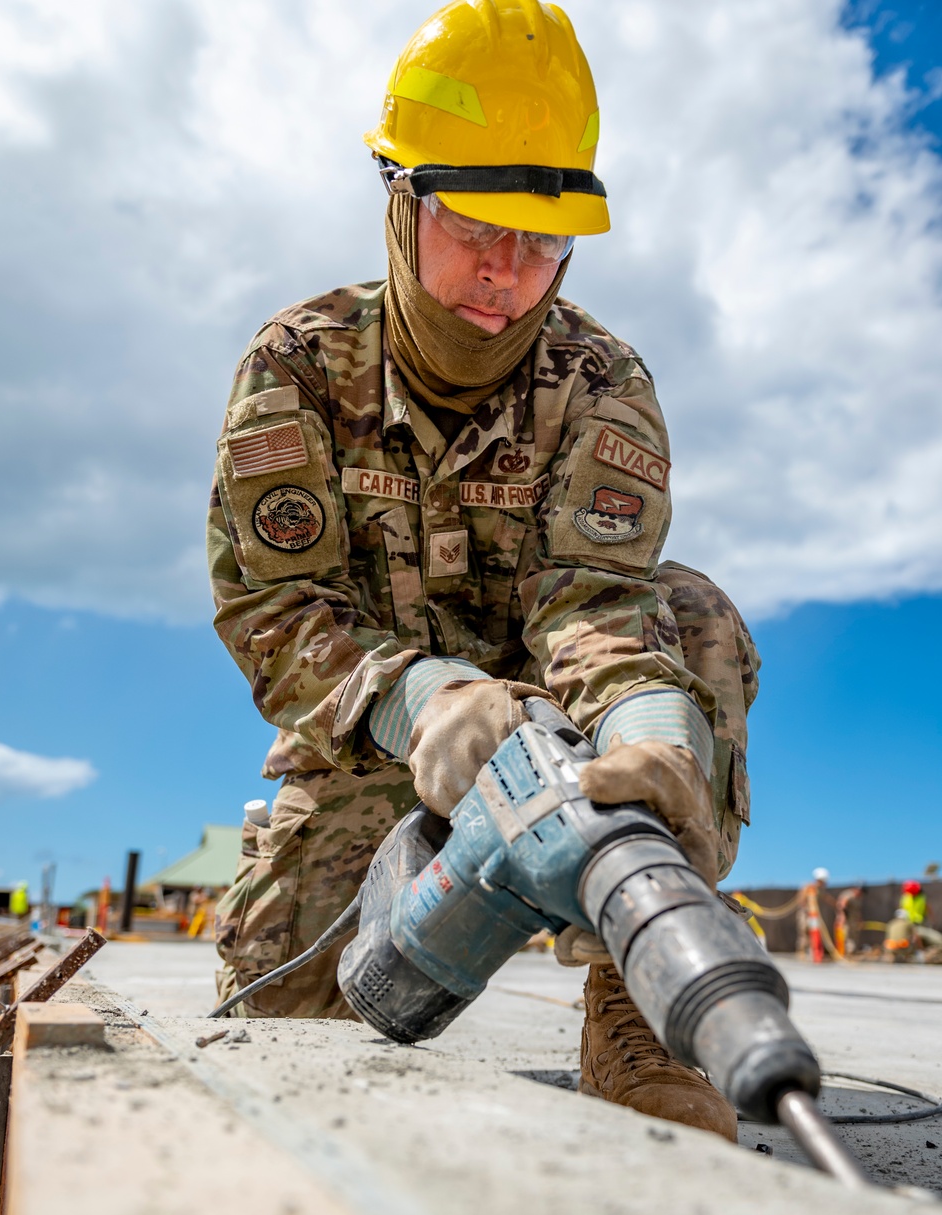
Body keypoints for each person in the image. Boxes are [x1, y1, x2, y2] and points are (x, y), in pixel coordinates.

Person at [209, 1, 760, 1142]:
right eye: (472, 224)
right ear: (401, 201)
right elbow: (271, 607)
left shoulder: (600, 379)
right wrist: (427, 702)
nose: (505, 272)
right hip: (377, 744)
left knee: (694, 614)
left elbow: (594, 593)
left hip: (567, 741)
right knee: (272, 1043)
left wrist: (654, 731)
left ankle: (643, 1016)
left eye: (542, 240)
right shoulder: (299, 366)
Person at [796, 868, 829, 964]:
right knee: (804, 932)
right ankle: (802, 954)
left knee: (813, 934)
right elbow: (801, 900)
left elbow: (826, 898)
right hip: (805, 914)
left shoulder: (819, 890)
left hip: (814, 915)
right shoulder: (808, 887)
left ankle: (812, 954)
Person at [900, 881, 942, 952]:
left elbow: (928, 909)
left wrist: (932, 921)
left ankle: (921, 950)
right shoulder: (905, 898)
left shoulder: (921, 898)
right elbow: (902, 909)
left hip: (920, 922)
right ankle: (917, 950)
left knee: (925, 937)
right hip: (908, 923)